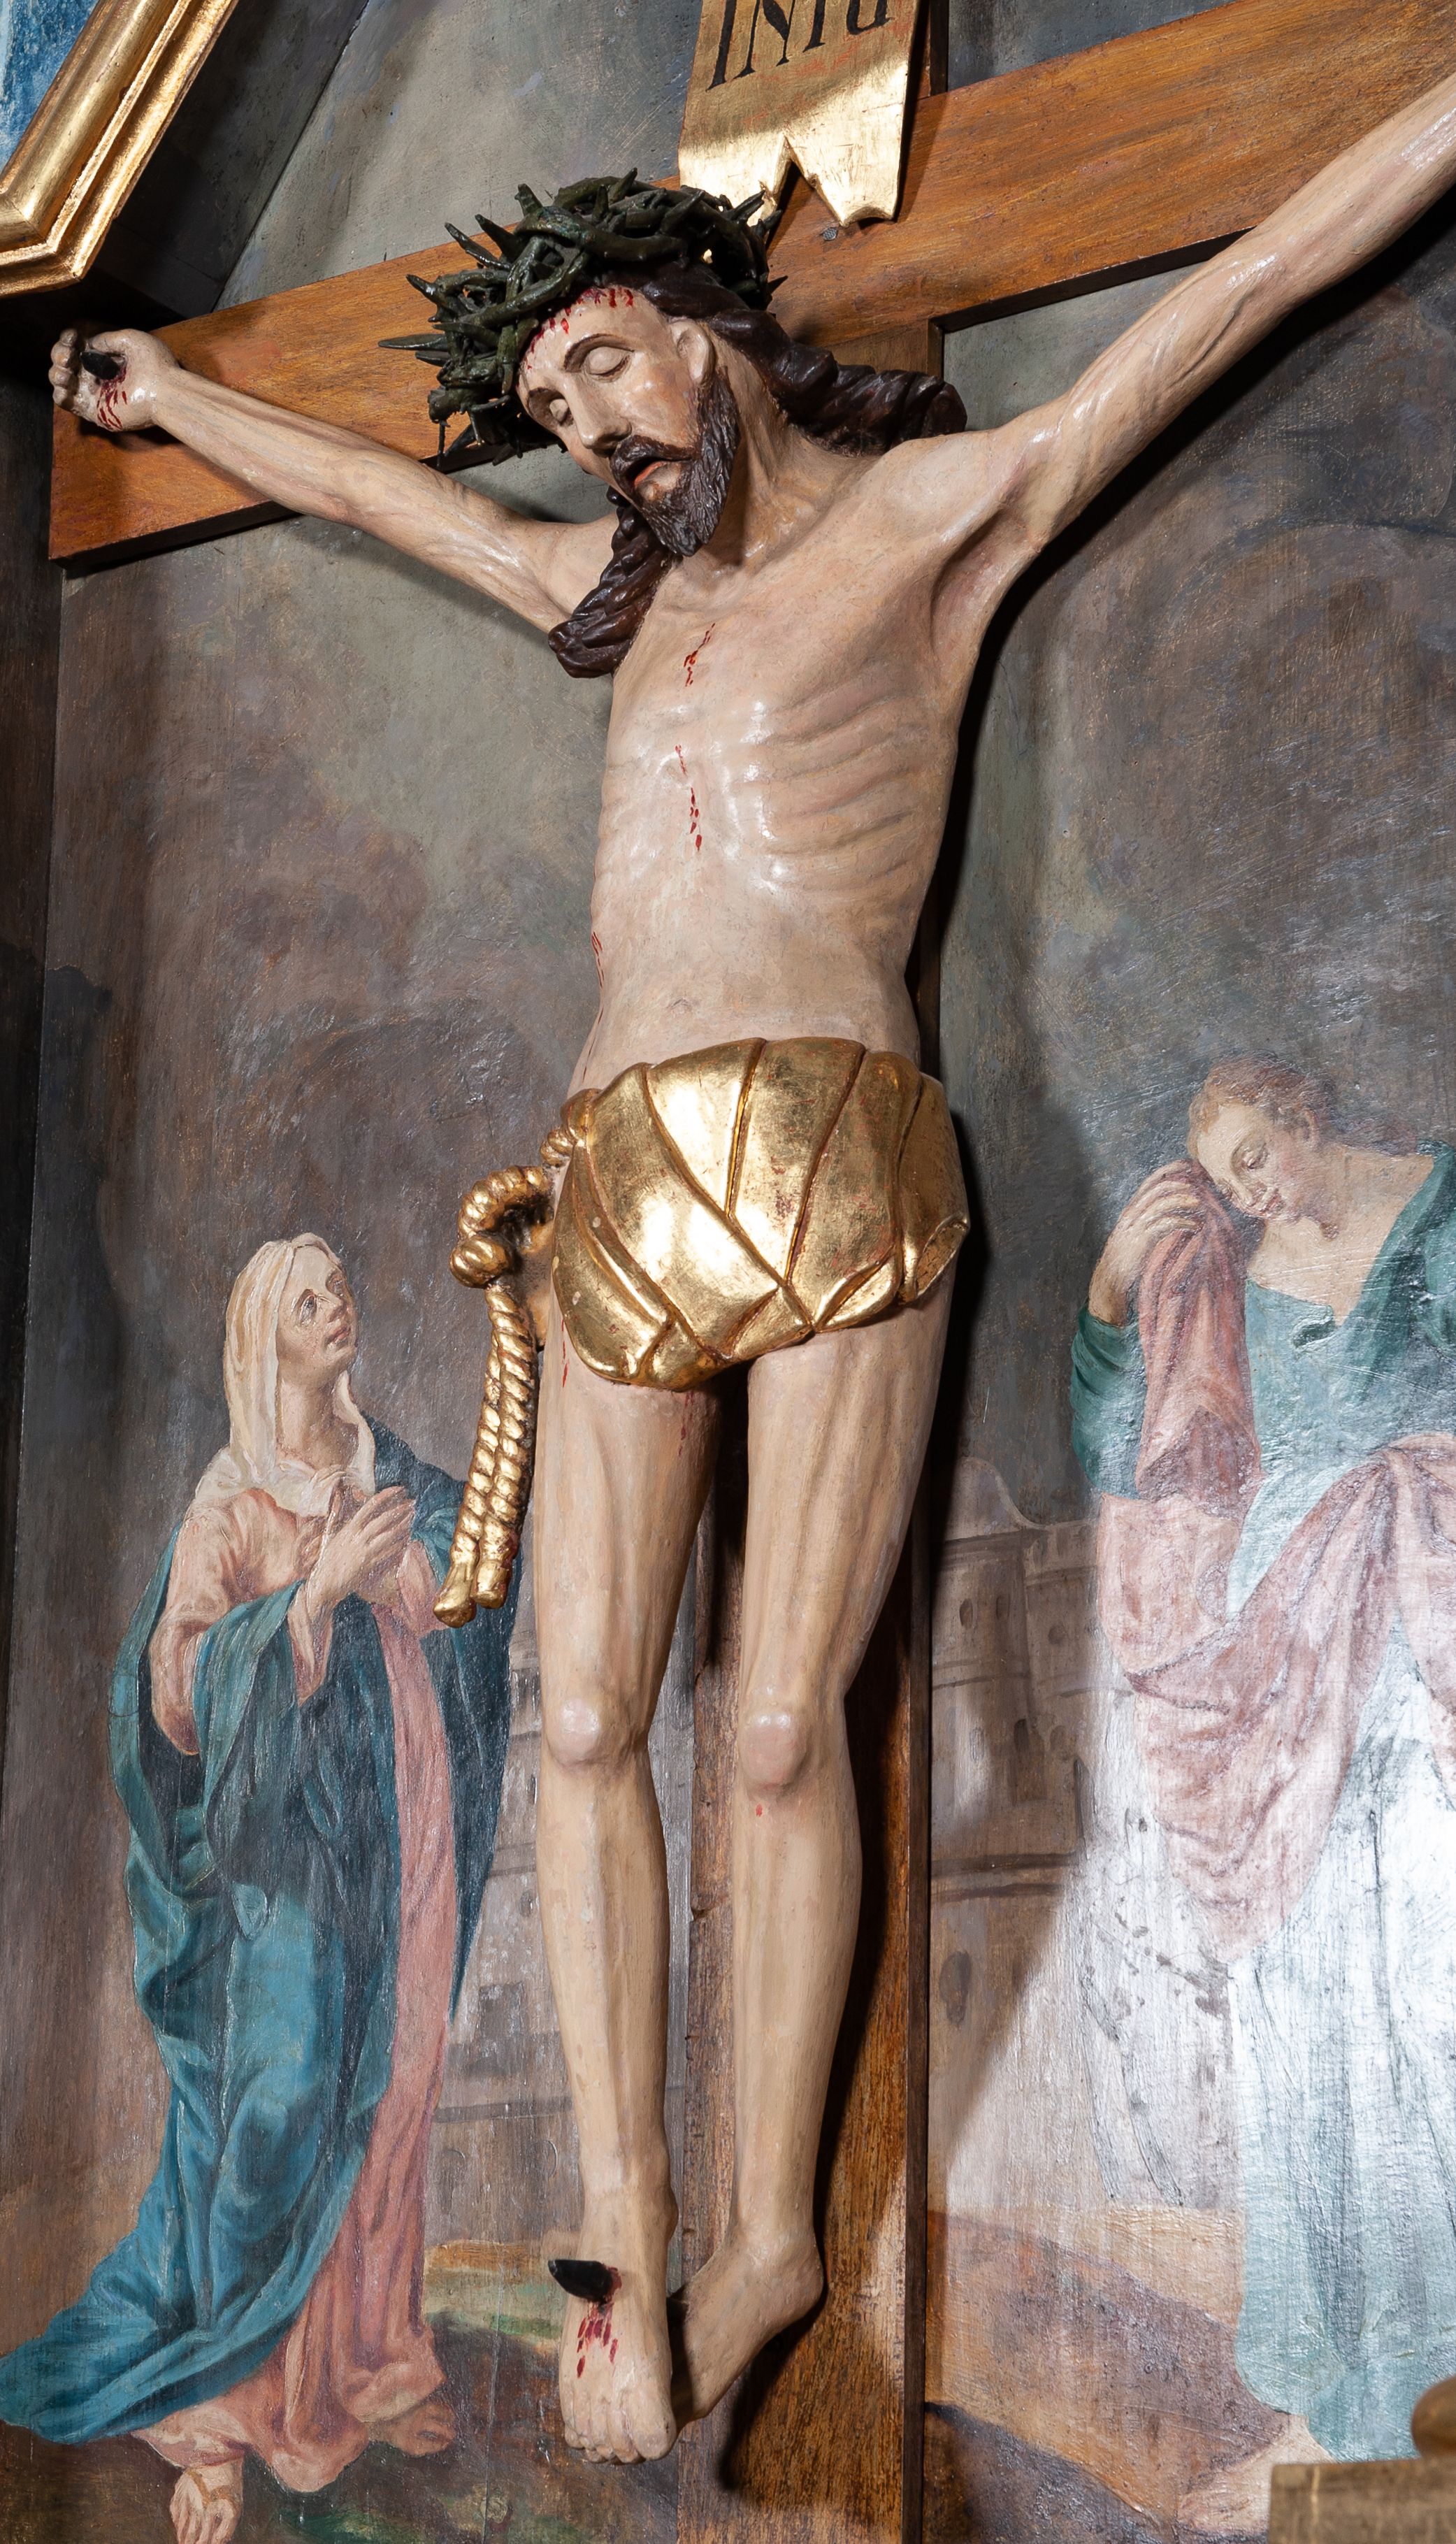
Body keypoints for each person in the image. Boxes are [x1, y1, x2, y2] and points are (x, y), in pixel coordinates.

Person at [46, 74, 1456, 2465]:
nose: (582, 426)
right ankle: (625, 2214)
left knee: (780, 1725)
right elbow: (386, 501)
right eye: (546, 406)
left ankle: (773, 2232)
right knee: (585, 1719)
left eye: (599, 362)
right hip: (618, 1157)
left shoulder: (928, 519)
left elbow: (1240, 288)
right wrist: (180, 395)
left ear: (698, 328)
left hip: (834, 1138)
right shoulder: (617, 606)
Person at [0, 1237, 516, 2544]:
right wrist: (308, 1604)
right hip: (285, 1845)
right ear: (263, 1342)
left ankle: (371, 2363)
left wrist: (404, 1580)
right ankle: (221, 2413)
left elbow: (467, 1593)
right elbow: (176, 1692)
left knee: (400, 2079)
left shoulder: (396, 1476)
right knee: (283, 2101)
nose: (339, 1307)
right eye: (308, 1300)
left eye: (341, 1287)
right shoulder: (232, 1506)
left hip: (405, 1811)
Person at [1072, 1061, 1456, 2526]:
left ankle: (1434, 2380)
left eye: (1260, 1158)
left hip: (1426, 1634)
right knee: (1306, 2015)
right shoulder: (1227, 1283)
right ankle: (1328, 2399)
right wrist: (1110, 1293)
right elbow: (1126, 1446)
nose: (1253, 1195)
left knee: (1426, 1999)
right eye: (1229, 1181)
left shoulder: (1440, 1215)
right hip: (1290, 1674)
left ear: (1308, 1116)